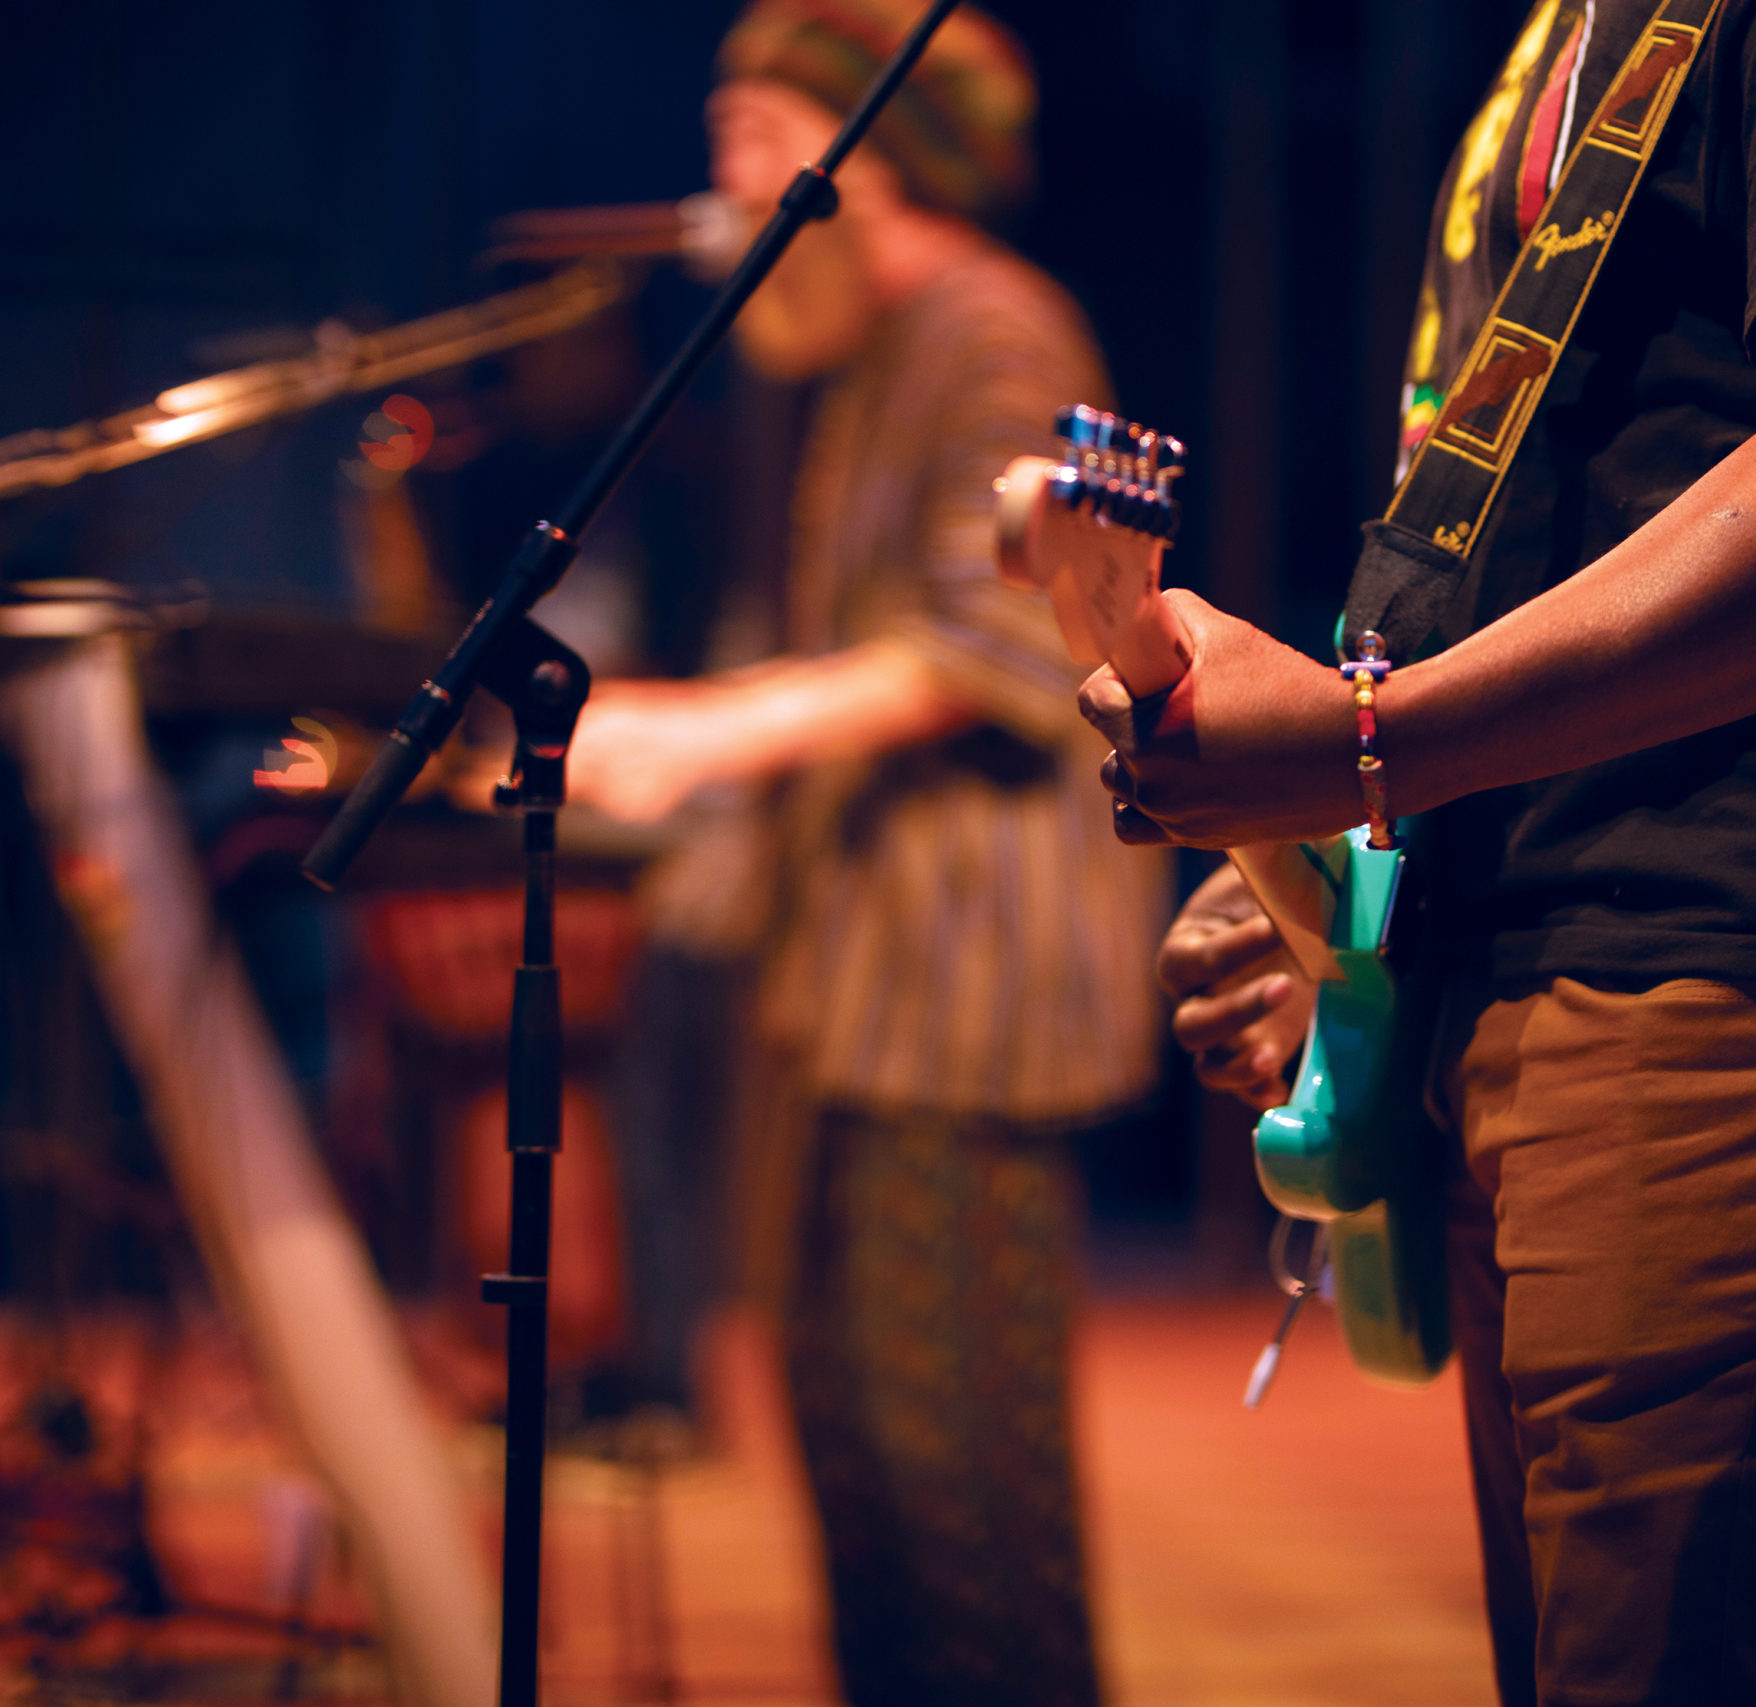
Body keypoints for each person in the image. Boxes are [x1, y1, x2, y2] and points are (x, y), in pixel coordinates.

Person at [1100, 3, 1756, 1703]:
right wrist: (1355, 856)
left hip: (1752, 970)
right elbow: (1563, 502)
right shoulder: (1577, 31)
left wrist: (1371, 744)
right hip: (1592, 967)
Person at [564, 5, 1165, 1703]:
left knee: (961, 1483)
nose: (727, 185)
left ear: (874, 162)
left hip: (960, 997)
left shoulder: (993, 329)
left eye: (758, 141)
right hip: (861, 989)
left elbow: (994, 645)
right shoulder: (871, 361)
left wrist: (691, 729)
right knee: (856, 1455)